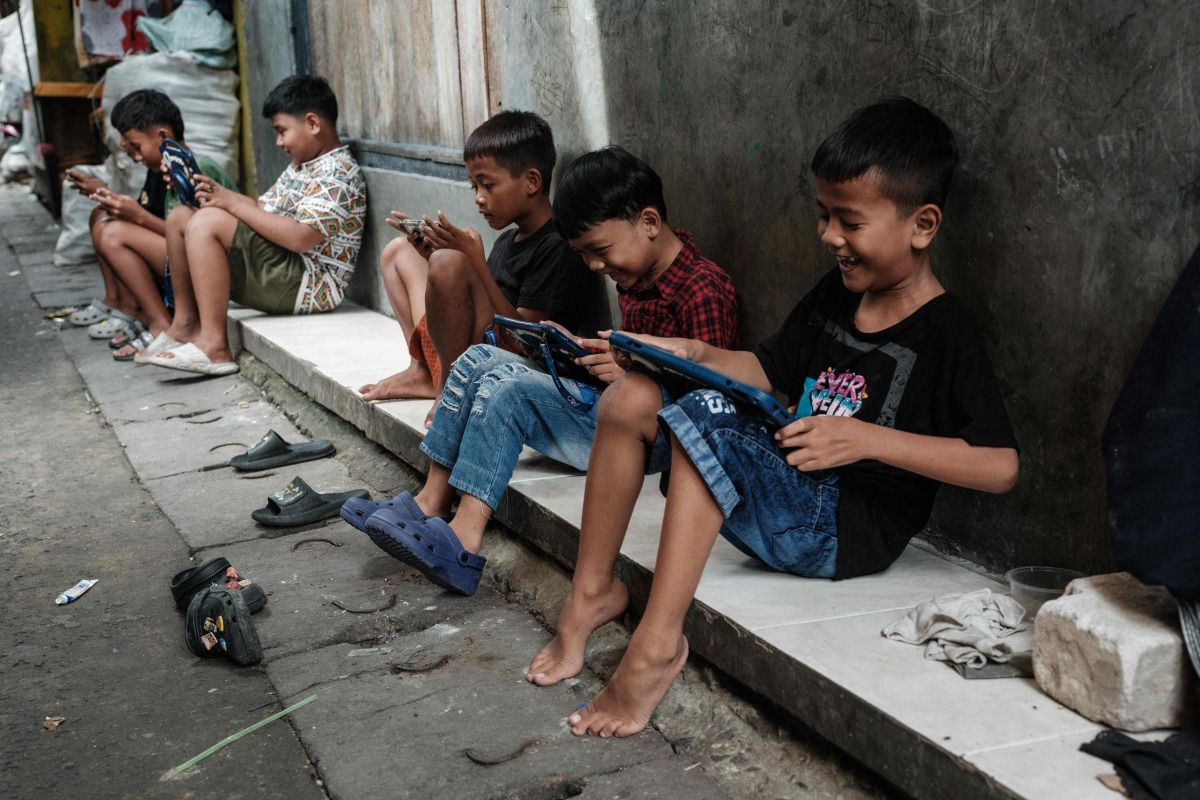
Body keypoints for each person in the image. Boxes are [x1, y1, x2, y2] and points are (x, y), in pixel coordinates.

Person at [529, 98, 1021, 739]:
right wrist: (692, 354)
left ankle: (655, 648)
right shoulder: (835, 296)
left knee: (706, 416)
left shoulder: (946, 332)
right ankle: (587, 596)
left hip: (844, 530)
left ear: (922, 225)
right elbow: (767, 368)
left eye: (849, 221)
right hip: (790, 488)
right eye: (823, 215)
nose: (828, 236)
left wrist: (864, 439)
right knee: (630, 396)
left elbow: (1000, 466)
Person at [353, 146, 739, 597]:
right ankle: (431, 501)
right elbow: (638, 359)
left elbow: (714, 404)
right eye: (586, 254)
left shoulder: (702, 290)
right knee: (478, 360)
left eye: (600, 251)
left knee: (508, 387)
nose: (596, 266)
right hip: (605, 407)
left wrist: (635, 379)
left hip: (635, 442)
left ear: (649, 224)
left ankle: (464, 541)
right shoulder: (637, 275)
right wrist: (586, 351)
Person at [356, 110, 605, 428]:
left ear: (531, 181)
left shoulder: (557, 245)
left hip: (506, 366)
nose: (478, 198)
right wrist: (441, 260)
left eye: (487, 185)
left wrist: (468, 261)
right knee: (399, 252)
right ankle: (423, 371)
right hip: (466, 349)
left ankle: (450, 392)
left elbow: (527, 342)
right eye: (474, 187)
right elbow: (472, 304)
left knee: (449, 263)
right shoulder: (506, 240)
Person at [143, 75, 367, 375]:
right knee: (182, 216)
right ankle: (185, 324)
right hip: (287, 269)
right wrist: (215, 194)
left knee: (207, 222)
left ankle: (215, 346)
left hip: (311, 285)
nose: (278, 142)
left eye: (282, 131)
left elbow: (302, 238)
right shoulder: (302, 166)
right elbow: (263, 210)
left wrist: (230, 204)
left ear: (313, 124)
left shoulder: (337, 172)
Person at [84, 90, 236, 360]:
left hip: (215, 263)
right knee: (102, 217)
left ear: (163, 137)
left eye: (137, 146)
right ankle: (137, 311)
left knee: (113, 232)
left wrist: (136, 217)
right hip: (180, 257)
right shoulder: (159, 171)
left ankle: (160, 325)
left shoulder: (197, 169)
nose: (135, 155)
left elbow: (195, 231)